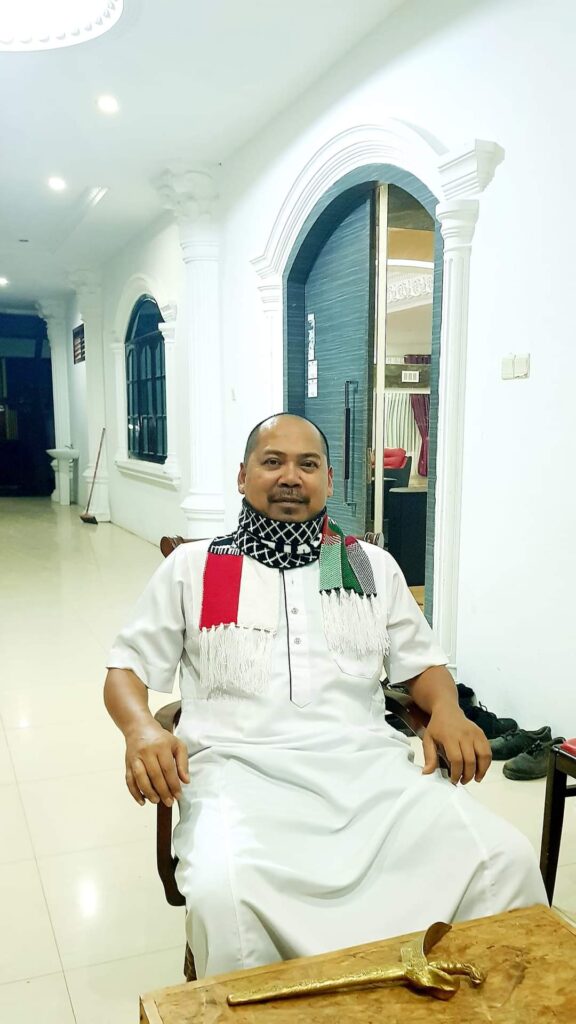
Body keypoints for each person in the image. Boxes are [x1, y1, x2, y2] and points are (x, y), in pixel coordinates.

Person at [104, 413, 546, 979]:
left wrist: (448, 709)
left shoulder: (368, 565)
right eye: (273, 462)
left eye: (307, 464)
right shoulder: (194, 567)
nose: (291, 476)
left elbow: (422, 665)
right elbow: (125, 667)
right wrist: (141, 728)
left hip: (372, 777)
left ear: (329, 480)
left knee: (502, 860)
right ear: (242, 476)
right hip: (237, 778)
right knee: (224, 897)